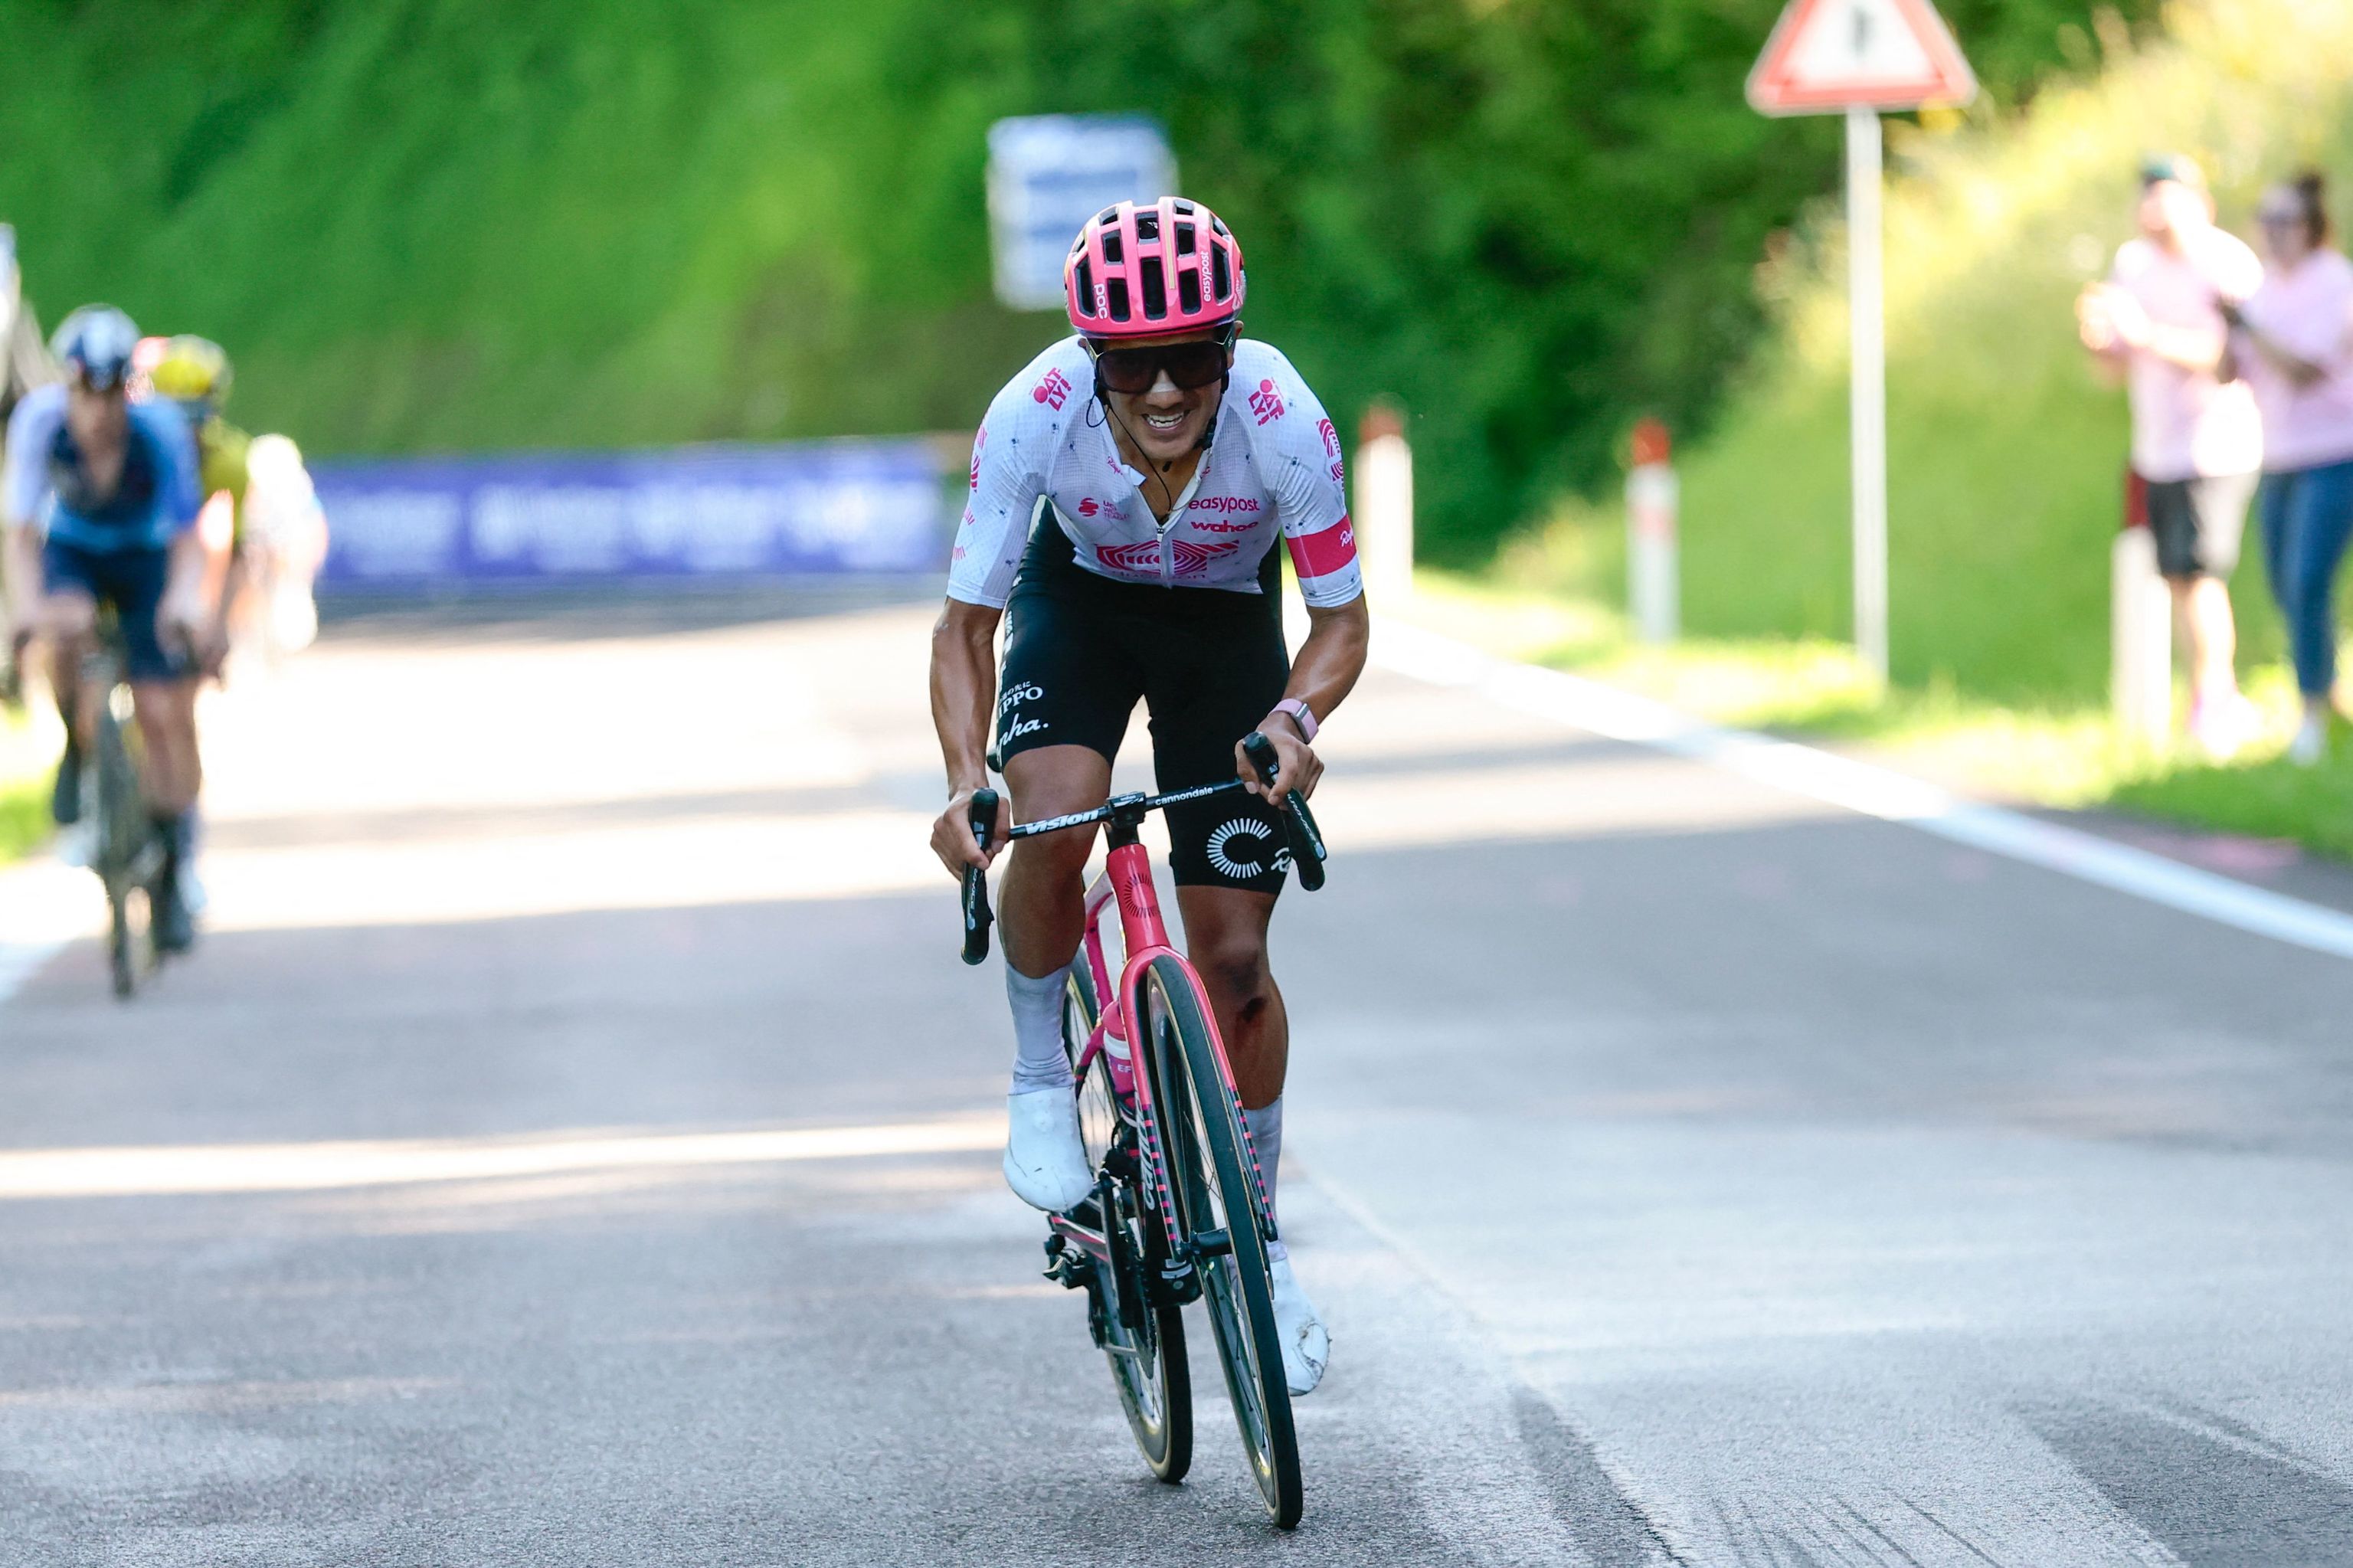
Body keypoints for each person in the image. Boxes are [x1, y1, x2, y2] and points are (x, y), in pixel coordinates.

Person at [927, 198, 1370, 1396]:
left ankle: (1263, 1242)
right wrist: (969, 783)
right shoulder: (1036, 412)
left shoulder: (1281, 415)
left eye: (1193, 359)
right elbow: (967, 628)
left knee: (1234, 964)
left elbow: (1340, 620)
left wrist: (1291, 720)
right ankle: (1035, 1074)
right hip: (1080, 607)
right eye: (1134, 363)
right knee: (1055, 820)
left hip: (1225, 620)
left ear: (1232, 351)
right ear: (1092, 359)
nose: (1166, 390)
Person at [2, 306, 207, 950]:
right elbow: (21, 532)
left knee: (162, 709)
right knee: (66, 625)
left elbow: (187, 539)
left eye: (113, 392)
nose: (101, 412)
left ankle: (172, 861)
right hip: (76, 551)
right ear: (68, 386)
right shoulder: (40, 423)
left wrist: (182, 601)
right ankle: (76, 741)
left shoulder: (161, 430)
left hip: (146, 558)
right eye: (87, 392)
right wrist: (27, 609)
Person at [2077, 154, 2265, 758]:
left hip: (2218, 441)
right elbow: (2111, 367)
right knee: (2177, 576)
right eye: (2146, 199)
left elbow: (2234, 359)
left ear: (2198, 203)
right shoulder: (2132, 264)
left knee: (2202, 571)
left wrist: (2146, 336)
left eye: (2167, 198)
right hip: (2156, 445)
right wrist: (2102, 343)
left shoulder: (2226, 263)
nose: (2154, 213)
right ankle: (2206, 698)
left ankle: (2216, 698)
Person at [2225, 172, 2353, 765]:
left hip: (2334, 453)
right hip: (2277, 454)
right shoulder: (2264, 289)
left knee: (2306, 580)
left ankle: (2311, 715)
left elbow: (2306, 366)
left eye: (2283, 222)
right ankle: (2329, 689)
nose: (2272, 233)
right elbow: (2239, 369)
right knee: (2283, 583)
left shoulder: (2336, 282)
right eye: (2265, 220)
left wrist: (2249, 328)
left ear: (2310, 226)